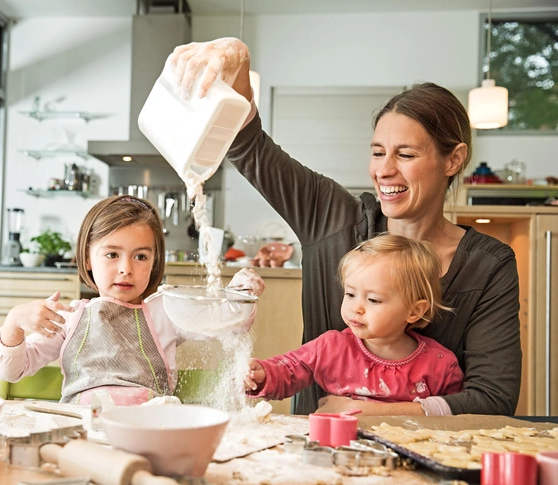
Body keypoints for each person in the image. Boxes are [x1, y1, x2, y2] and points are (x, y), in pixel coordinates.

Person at [168, 37, 521, 416]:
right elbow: (249, 146)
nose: (384, 169)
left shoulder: (488, 265)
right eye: (377, 152)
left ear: (453, 160)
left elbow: (492, 399)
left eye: (405, 154)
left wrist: (362, 411)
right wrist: (235, 78)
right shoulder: (331, 216)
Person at [0, 195, 264, 406]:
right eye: (112, 255)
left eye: (140, 256)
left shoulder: (166, 311)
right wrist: (14, 321)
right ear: (87, 259)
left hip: (148, 432)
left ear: (154, 262)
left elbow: (228, 323)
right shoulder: (68, 317)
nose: (126, 268)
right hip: (83, 432)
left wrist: (242, 295)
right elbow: (12, 371)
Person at [244, 234, 463, 410]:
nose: (356, 308)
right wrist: (262, 374)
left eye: (373, 299)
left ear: (414, 311)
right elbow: (289, 369)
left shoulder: (440, 366)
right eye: (350, 294)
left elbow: (455, 419)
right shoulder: (332, 347)